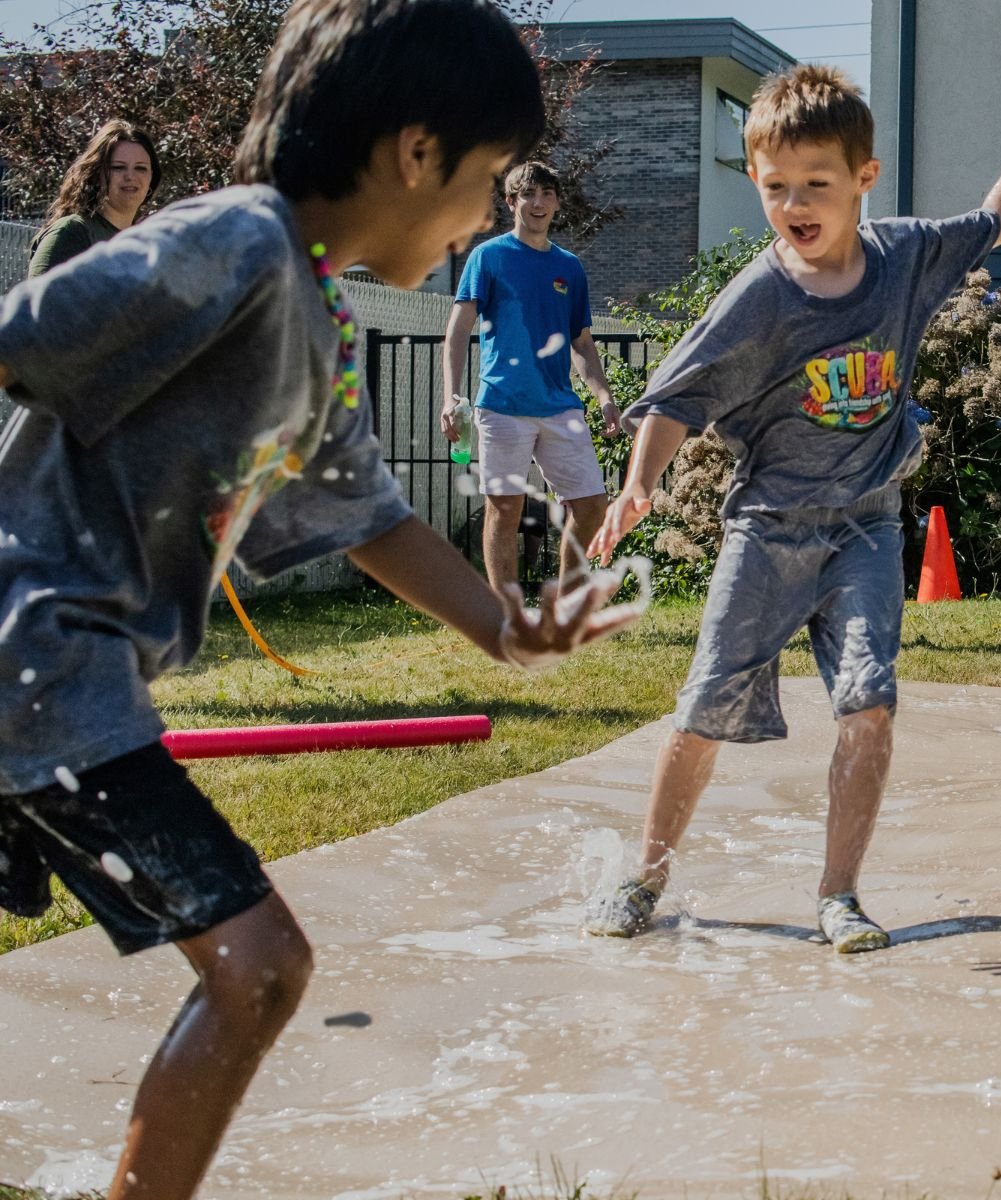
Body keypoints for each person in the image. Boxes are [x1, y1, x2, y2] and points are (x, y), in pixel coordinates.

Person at [0, 3, 638, 1197]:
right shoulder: (235, 244)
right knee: (261, 968)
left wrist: (509, 628)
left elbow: (373, 521)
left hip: (61, 677)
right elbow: (20, 337)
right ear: (414, 154)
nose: (477, 218)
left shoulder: (313, 317)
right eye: (485, 178)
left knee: (256, 971)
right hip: (42, 665)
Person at [583, 40, 1001, 952]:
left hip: (867, 528)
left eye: (815, 185)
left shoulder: (907, 260)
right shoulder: (759, 297)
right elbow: (679, 394)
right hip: (767, 531)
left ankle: (839, 896)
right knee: (703, 708)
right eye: (774, 187)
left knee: (868, 703)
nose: (793, 206)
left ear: (864, 178)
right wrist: (640, 482)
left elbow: (1000, 217)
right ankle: (642, 878)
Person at [441, 160, 620, 589]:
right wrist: (450, 397)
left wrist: (603, 397)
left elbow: (581, 344)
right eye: (527, 195)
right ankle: (507, 613)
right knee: (505, 507)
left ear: (556, 202)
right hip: (502, 405)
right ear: (511, 202)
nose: (537, 203)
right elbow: (458, 330)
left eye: (546, 195)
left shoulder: (570, 267)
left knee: (592, 505)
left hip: (559, 406)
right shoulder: (488, 257)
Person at [27, 119, 161, 278]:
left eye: (141, 168)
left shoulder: (147, 243)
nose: (130, 176)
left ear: (152, 177)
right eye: (118, 167)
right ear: (97, 174)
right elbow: (40, 301)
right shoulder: (71, 233)